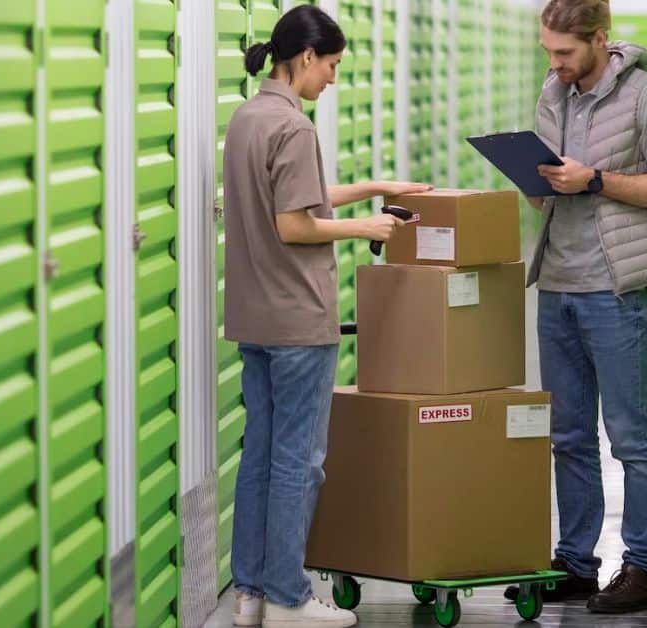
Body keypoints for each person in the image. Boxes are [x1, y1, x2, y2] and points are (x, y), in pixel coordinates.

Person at [222, 5, 432, 627]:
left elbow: (289, 198)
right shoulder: (296, 128)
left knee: (259, 457)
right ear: (306, 57)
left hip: (255, 319)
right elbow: (294, 223)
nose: (334, 79)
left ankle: (250, 593)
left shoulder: (248, 119)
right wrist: (367, 228)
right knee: (299, 460)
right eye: (333, 65)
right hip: (297, 321)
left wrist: (369, 187)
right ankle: (289, 598)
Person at [504, 0, 647, 615]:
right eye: (547, 52)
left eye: (564, 53)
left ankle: (644, 568)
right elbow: (543, 198)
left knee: (632, 437)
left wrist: (595, 180)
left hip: (618, 290)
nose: (554, 64)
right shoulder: (551, 95)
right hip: (557, 284)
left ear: (599, 41)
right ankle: (577, 563)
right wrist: (537, 182)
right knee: (569, 435)